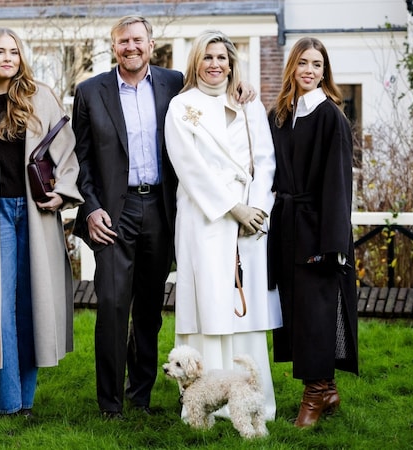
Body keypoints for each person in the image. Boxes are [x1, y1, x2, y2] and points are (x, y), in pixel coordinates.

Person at [72, 16, 256, 419]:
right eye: (123, 41)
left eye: (138, 40)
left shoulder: (175, 85)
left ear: (151, 44)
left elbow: (214, 88)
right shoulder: (89, 92)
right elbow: (80, 159)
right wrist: (90, 207)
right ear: (113, 46)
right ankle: (110, 403)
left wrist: (239, 85)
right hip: (112, 215)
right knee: (113, 307)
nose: (131, 47)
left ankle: (140, 395)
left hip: (161, 208)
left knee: (151, 310)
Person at [0, 27, 83, 416]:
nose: (9, 58)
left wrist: (62, 192)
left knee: (33, 302)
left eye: (14, 51)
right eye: (0, 52)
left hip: (34, 211)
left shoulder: (39, 96)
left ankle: (24, 400)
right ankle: (1, 401)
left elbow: (66, 152)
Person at [164, 30, 282, 421]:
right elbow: (190, 169)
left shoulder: (248, 103)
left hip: (249, 221)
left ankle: (254, 404)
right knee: (209, 306)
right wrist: (233, 208)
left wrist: (256, 210)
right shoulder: (181, 107)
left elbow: (265, 161)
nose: (215, 64)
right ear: (196, 61)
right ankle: (204, 406)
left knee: (242, 314)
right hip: (205, 217)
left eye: (222, 57)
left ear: (232, 63)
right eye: (207, 57)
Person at [267, 37, 359, 428]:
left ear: (325, 71)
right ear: (292, 67)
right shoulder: (282, 115)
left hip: (318, 231)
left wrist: (333, 246)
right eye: (303, 63)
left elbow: (339, 185)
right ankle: (328, 387)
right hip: (285, 226)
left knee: (317, 314)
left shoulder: (330, 117)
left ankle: (315, 394)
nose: (309, 71)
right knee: (295, 313)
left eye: (317, 65)